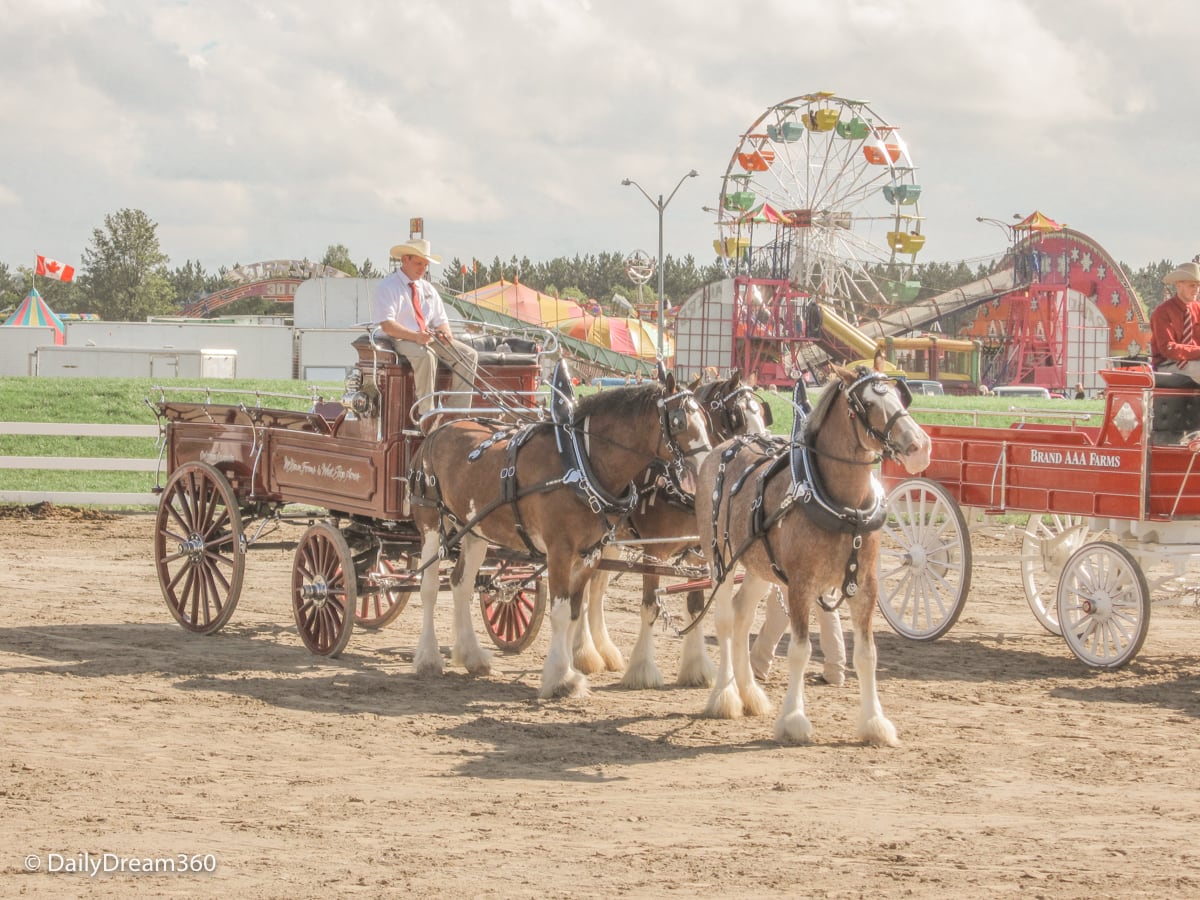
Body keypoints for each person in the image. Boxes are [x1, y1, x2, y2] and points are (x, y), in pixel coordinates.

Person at [371, 238, 478, 425]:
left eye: (425, 265)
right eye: (418, 263)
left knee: (469, 355)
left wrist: (445, 333)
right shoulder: (387, 287)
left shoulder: (428, 289)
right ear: (405, 260)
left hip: (427, 337)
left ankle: (456, 412)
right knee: (425, 356)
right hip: (399, 339)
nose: (423, 269)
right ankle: (426, 414)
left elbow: (441, 320)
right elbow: (388, 325)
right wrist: (416, 336)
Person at [1150, 261, 1200, 383]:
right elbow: (1168, 348)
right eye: (1192, 285)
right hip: (1168, 364)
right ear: (1178, 285)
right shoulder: (1163, 312)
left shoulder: (1198, 309)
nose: (1196, 290)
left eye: (1198, 286)